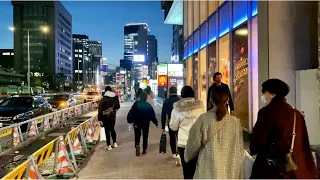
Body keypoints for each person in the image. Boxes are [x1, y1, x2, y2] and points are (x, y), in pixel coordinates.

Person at [249, 79, 317, 179]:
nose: (264, 97)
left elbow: (258, 140)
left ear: (272, 94)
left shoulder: (266, 112)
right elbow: (303, 142)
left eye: (265, 93)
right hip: (292, 168)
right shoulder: (296, 114)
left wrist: (252, 150)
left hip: (269, 168)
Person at [185, 85, 244, 179]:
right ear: (227, 100)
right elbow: (240, 150)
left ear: (211, 100)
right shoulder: (235, 122)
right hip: (230, 171)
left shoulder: (203, 119)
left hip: (207, 170)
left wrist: (187, 156)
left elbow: (192, 146)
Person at [169, 86, 205, 179]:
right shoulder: (200, 108)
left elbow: (173, 127)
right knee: (199, 169)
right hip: (198, 142)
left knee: (187, 170)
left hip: (184, 143)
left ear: (182, 95)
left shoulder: (177, 109)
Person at [127, 91, 158, 156]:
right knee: (145, 136)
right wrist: (156, 122)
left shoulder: (136, 104)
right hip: (146, 123)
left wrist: (129, 121)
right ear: (146, 98)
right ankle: (144, 149)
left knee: (137, 135)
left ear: (140, 97)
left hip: (137, 122)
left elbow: (131, 113)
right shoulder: (148, 105)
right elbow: (152, 115)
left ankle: (137, 145)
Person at [98, 86, 120, 151]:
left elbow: (100, 110)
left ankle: (109, 145)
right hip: (113, 117)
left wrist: (99, 118)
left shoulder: (102, 100)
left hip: (105, 117)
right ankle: (115, 143)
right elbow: (118, 106)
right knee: (112, 129)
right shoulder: (114, 98)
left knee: (107, 131)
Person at [161, 87, 180, 159]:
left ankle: (174, 153)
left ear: (169, 92)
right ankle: (179, 152)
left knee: (172, 137)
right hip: (179, 121)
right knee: (179, 136)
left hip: (170, 121)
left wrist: (163, 127)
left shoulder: (166, 101)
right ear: (176, 91)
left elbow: (163, 115)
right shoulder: (179, 100)